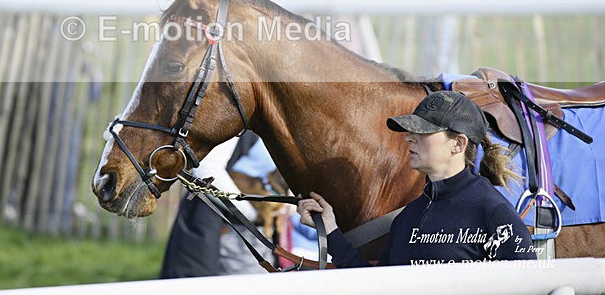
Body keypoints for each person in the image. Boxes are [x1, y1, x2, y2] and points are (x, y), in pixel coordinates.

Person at [297, 91, 538, 267]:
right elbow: (375, 287)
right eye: (411, 131)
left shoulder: (493, 212)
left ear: (458, 144)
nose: (409, 138)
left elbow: (530, 285)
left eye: (423, 131)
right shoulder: (407, 218)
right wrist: (329, 230)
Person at [160, 132, 282, 277]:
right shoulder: (241, 127)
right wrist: (251, 214)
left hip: (257, 230)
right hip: (220, 227)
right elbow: (206, 170)